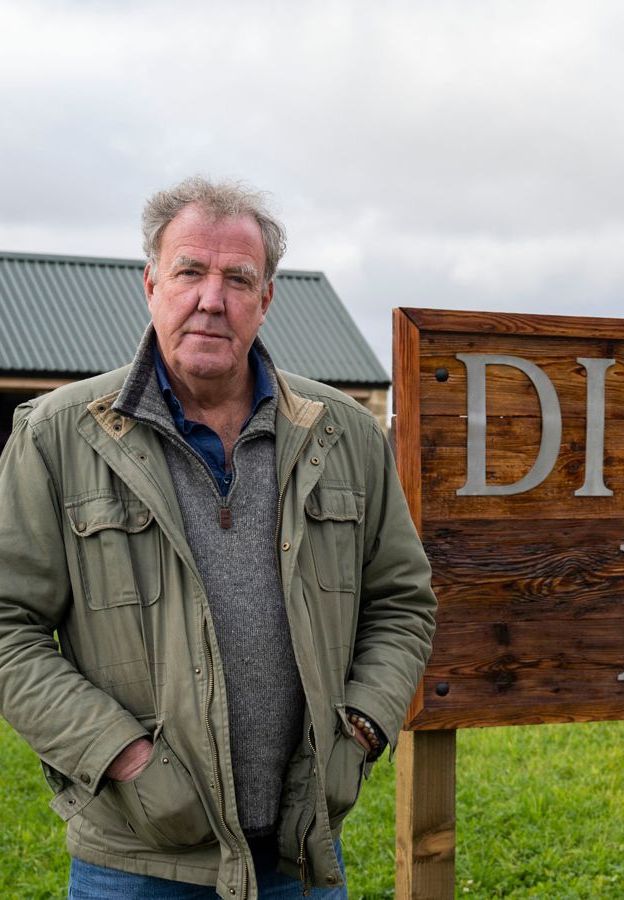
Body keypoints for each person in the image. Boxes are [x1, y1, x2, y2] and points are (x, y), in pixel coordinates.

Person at [0, 177, 437, 898]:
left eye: (238, 278)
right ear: (150, 283)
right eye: (189, 272)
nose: (212, 298)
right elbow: (9, 626)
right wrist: (123, 755)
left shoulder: (345, 435)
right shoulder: (56, 436)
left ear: (265, 300)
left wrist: (358, 728)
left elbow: (402, 603)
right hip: (135, 863)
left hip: (303, 855)